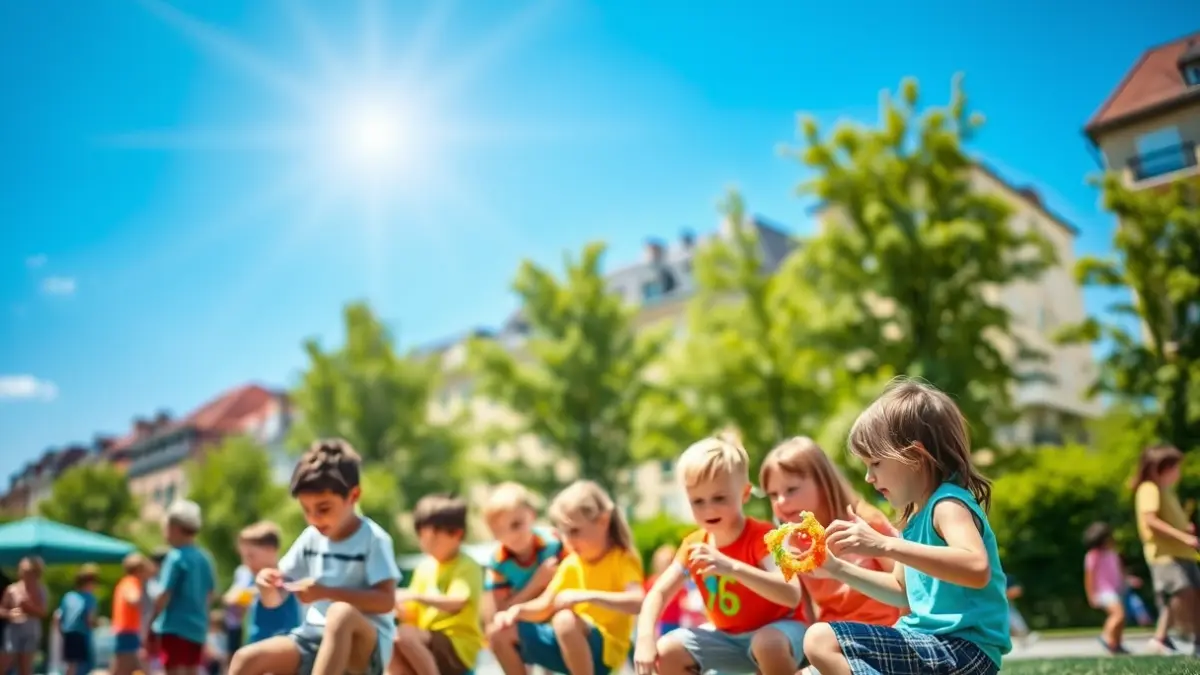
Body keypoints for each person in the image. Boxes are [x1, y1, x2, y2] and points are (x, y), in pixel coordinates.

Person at [802, 378, 1011, 675]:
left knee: (820, 639)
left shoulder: (948, 505)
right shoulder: (914, 516)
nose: (868, 478)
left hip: (964, 650)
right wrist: (836, 568)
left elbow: (977, 568)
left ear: (914, 456)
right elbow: (901, 591)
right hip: (932, 646)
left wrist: (885, 545)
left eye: (875, 463)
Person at [635, 431, 807, 675]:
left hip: (781, 633)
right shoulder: (692, 546)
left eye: (719, 497)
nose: (709, 508)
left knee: (767, 644)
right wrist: (644, 638)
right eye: (698, 501)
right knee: (667, 651)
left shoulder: (767, 536)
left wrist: (732, 567)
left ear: (745, 493)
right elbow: (658, 593)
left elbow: (792, 593)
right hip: (727, 639)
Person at [228, 438, 400, 675]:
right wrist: (266, 585)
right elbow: (275, 599)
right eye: (306, 510)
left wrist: (325, 592)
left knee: (339, 614)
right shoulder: (310, 538)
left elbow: (386, 601)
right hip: (313, 636)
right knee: (245, 659)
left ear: (353, 496)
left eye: (324, 508)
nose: (313, 519)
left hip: (365, 645)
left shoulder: (373, 539)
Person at [490, 480, 644, 675]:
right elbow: (544, 606)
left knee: (564, 620)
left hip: (605, 655)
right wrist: (516, 611)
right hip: (569, 648)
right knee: (499, 633)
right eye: (563, 532)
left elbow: (638, 601)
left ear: (603, 521)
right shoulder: (571, 563)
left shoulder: (622, 558)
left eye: (574, 531)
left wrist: (585, 596)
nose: (567, 540)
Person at [760, 436, 901, 627]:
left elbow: (905, 583)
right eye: (773, 495)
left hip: (884, 629)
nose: (781, 501)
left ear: (822, 483)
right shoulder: (795, 541)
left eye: (791, 490)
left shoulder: (865, 522)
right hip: (832, 634)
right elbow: (806, 604)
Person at [391, 494, 485, 675]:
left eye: (434, 540)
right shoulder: (424, 568)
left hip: (457, 644)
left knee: (404, 636)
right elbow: (413, 616)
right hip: (427, 643)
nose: (427, 546)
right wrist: (398, 608)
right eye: (422, 539)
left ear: (457, 534)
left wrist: (414, 596)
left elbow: (457, 602)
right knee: (391, 641)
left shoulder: (466, 565)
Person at [1133, 443, 1200, 655]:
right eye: (1175, 467)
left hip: (1182, 554)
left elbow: (1169, 519)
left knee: (1190, 595)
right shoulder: (1149, 489)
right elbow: (1151, 520)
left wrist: (1185, 527)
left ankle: (1162, 639)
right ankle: (1185, 635)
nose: (1179, 472)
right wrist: (1184, 537)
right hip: (1166, 555)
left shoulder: (1166, 492)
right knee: (1183, 594)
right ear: (1158, 469)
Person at [149, 500, 217, 675]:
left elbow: (163, 594)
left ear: (174, 528)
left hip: (174, 627)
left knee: (173, 670)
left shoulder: (175, 557)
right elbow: (210, 594)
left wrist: (151, 622)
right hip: (197, 628)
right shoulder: (205, 558)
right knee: (192, 670)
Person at [481, 482, 564, 622]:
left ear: (532, 514)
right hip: (526, 626)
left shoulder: (556, 543)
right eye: (499, 531)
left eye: (516, 525)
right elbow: (498, 614)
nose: (510, 536)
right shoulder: (498, 563)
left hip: (561, 618)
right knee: (499, 632)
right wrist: (536, 583)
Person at [238, 522, 302, 645]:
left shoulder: (282, 580)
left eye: (251, 556)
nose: (246, 563)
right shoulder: (253, 581)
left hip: (278, 651)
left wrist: (259, 590)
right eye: (243, 557)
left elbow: (272, 599)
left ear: (270, 550)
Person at [1082, 522, 1133, 655]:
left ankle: (1116, 643)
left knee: (1122, 619)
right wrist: (1090, 594)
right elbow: (1089, 577)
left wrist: (1128, 581)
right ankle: (1106, 636)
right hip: (1103, 591)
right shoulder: (1093, 556)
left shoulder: (1112, 553)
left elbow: (1119, 571)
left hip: (1116, 589)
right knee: (1118, 614)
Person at [0, 556, 48, 675]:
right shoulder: (12, 589)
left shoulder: (40, 589)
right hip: (14, 630)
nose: (28, 575)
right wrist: (10, 614)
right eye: (25, 571)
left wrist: (28, 606)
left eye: (31, 572)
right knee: (5, 661)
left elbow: (43, 612)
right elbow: (1, 609)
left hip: (31, 629)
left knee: (26, 667)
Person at [111, 553, 152, 675]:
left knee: (123, 667)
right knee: (138, 666)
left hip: (125, 630)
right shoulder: (132, 582)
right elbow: (133, 599)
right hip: (128, 631)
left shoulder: (124, 582)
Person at [58, 563, 100, 675]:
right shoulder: (89, 598)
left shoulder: (68, 596)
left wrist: (62, 632)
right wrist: (97, 624)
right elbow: (89, 619)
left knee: (70, 664)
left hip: (68, 634)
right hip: (82, 634)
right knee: (82, 665)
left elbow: (57, 618)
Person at [1003, 576, 1039, 649]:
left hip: (1005, 604)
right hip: (1000, 604)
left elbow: (1018, 591)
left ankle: (1024, 638)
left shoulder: (1005, 577)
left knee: (1015, 620)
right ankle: (1024, 638)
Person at [204, 610, 228, 675]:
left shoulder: (222, 636)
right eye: (212, 624)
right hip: (210, 662)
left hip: (219, 660)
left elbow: (224, 648)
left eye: (217, 625)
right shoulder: (207, 636)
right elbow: (207, 649)